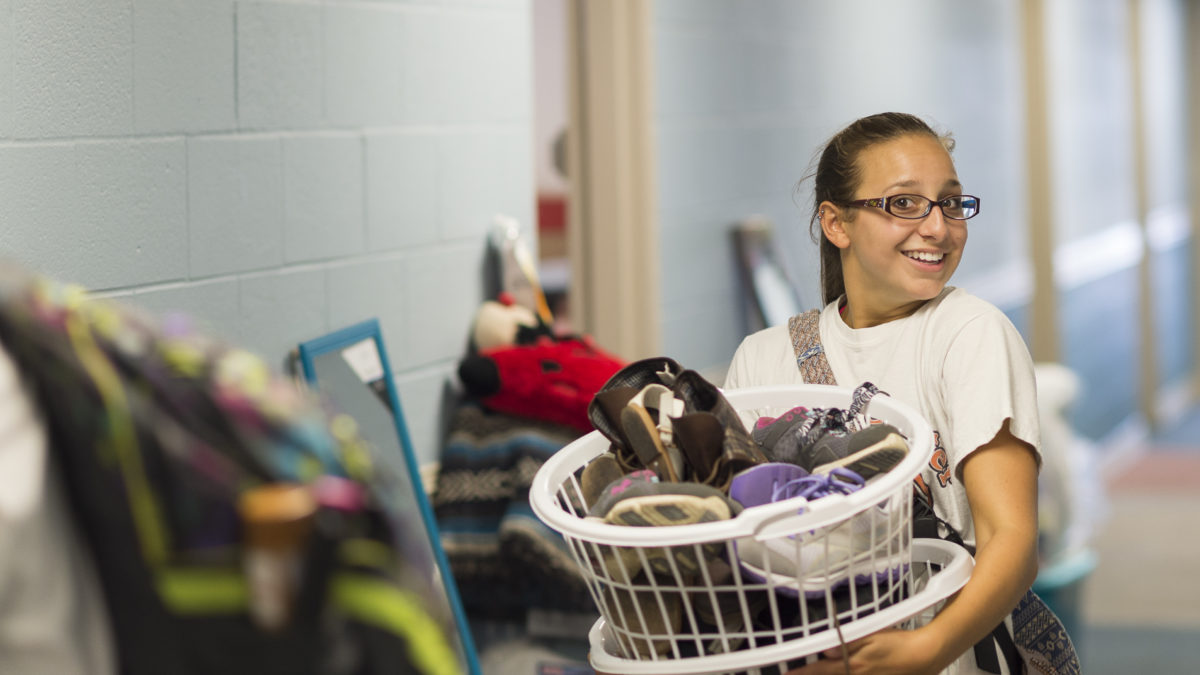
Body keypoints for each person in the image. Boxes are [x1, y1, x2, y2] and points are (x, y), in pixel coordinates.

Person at [724, 112, 1041, 674]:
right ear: (836, 223)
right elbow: (730, 547)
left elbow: (1011, 540)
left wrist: (925, 650)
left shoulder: (968, 333)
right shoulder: (763, 358)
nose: (938, 227)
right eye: (903, 203)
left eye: (949, 202)